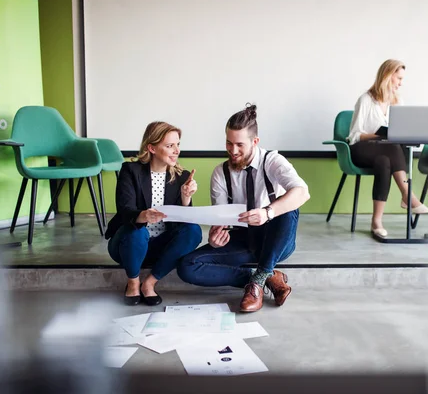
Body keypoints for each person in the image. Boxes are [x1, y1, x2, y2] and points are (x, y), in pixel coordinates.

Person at [178, 104, 310, 313]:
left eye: (239, 144)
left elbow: (303, 192)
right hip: (244, 240)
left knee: (289, 205)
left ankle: (259, 279)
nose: (233, 150)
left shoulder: (273, 161)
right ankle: (264, 277)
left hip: (276, 240)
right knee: (187, 266)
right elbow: (221, 218)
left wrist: (267, 213)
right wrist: (215, 236)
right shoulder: (220, 173)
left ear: (255, 142)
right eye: (229, 143)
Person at [105, 121, 203, 306]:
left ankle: (149, 284)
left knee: (194, 231)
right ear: (151, 148)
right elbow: (125, 211)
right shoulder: (130, 171)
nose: (176, 151)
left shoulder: (182, 176)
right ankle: (133, 282)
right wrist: (144, 216)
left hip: (160, 246)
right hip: (128, 245)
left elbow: (185, 222)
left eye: (178, 144)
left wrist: (185, 198)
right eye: (169, 146)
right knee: (138, 230)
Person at [347, 59, 428, 241]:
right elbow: (354, 135)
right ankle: (407, 194)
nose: (401, 83)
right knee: (390, 144)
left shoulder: (397, 101)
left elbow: (401, 129)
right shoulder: (366, 100)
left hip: (384, 153)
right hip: (361, 149)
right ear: (388, 76)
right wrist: (379, 137)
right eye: (398, 78)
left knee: (384, 160)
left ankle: (376, 222)